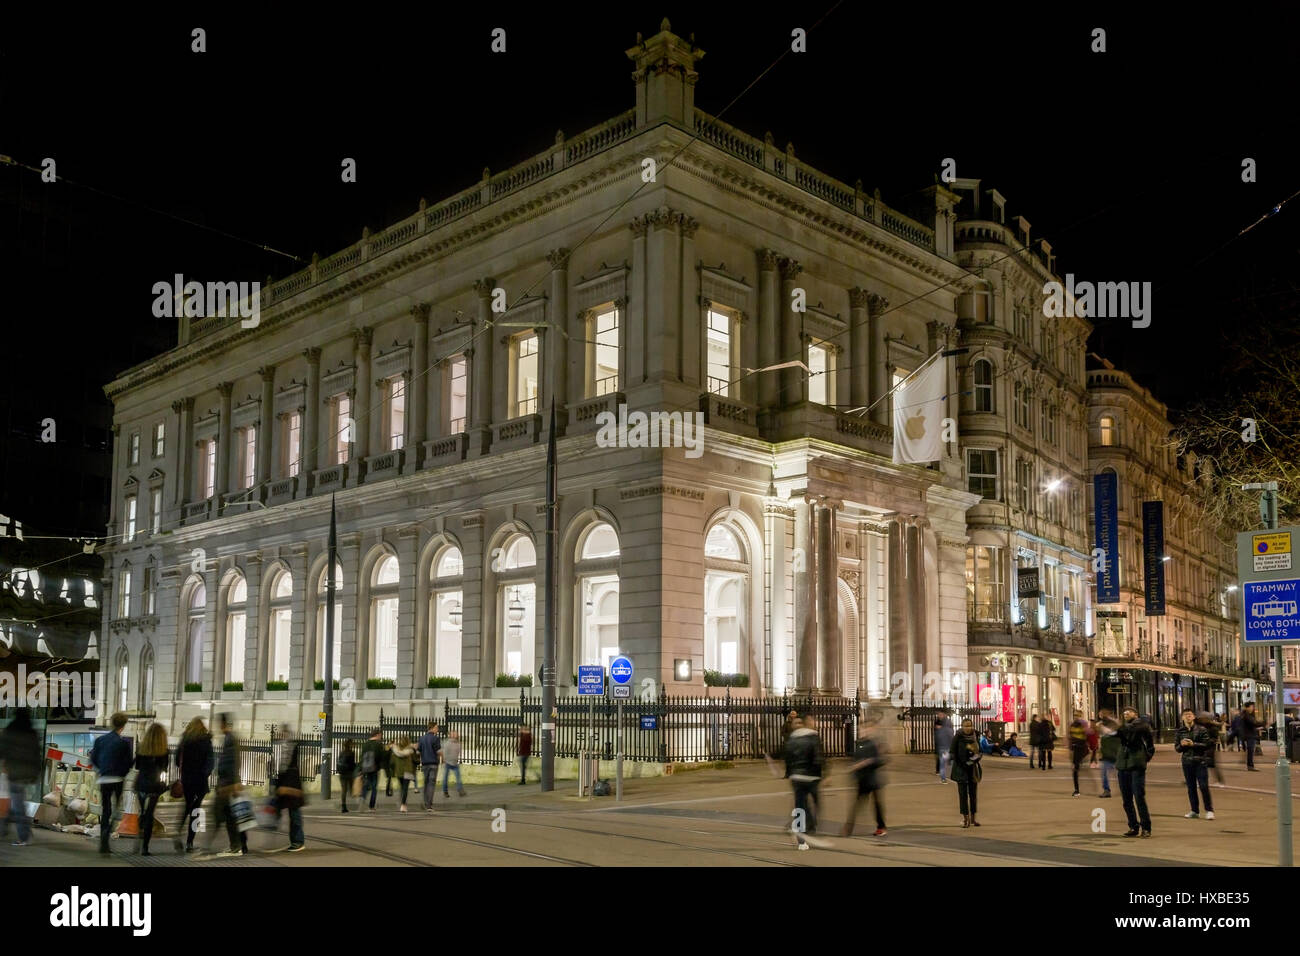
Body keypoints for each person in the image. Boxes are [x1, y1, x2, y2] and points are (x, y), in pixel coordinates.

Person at [778, 712, 825, 849]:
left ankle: (801, 841)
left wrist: (789, 774)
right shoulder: (813, 737)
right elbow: (818, 758)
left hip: (797, 778)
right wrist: (821, 774)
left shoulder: (792, 739)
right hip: (811, 777)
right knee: (815, 803)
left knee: (800, 808)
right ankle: (811, 825)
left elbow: (788, 758)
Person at [88, 712, 132, 855]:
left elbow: (93, 759)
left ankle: (103, 842)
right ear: (123, 726)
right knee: (116, 810)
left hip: (104, 778)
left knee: (105, 810)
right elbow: (128, 764)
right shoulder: (124, 743)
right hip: (118, 779)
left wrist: (101, 770)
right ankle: (108, 836)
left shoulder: (100, 740)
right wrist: (121, 773)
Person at [207, 713, 248, 857]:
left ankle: (208, 847)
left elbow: (232, 763)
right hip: (227, 784)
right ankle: (236, 846)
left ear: (223, 724)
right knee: (230, 817)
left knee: (217, 814)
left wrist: (232, 784)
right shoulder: (229, 739)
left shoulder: (230, 739)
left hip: (227, 785)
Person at [0, 709, 42, 846]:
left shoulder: (10, 731)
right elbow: (37, 754)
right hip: (28, 773)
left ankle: (24, 837)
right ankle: (6, 829)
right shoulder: (32, 732)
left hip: (14, 773)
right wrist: (36, 773)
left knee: (17, 805)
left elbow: (2, 750)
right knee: (15, 802)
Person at [841, 716, 886, 837]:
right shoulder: (860, 744)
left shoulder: (873, 743)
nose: (862, 731)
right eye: (861, 729)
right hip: (862, 779)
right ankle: (848, 828)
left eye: (864, 729)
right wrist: (853, 768)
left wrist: (867, 762)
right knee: (858, 804)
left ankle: (881, 827)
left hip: (872, 778)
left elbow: (879, 760)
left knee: (876, 804)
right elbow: (855, 760)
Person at [174, 717, 213, 853]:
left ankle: (178, 831)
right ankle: (190, 842)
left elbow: (177, 760)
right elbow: (210, 762)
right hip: (200, 781)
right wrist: (204, 774)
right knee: (196, 812)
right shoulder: (206, 741)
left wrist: (185, 770)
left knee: (187, 806)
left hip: (187, 780)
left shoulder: (185, 739)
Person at [1116, 705, 1155, 838]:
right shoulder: (1123, 727)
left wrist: (1145, 757)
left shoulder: (1141, 725)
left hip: (1136, 765)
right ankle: (1133, 826)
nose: (1126, 714)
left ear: (1136, 714)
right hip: (1123, 765)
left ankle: (1146, 827)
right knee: (1126, 799)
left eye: (1129, 712)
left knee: (1139, 797)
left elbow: (1150, 744)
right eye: (1124, 712)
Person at [132, 722, 169, 856]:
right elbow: (164, 769)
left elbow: (137, 767)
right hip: (154, 786)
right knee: (149, 815)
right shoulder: (164, 751)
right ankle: (145, 848)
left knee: (143, 812)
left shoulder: (142, 749)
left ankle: (138, 839)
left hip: (141, 784)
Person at [1174, 709, 1215, 820]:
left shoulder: (1201, 729)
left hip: (1200, 761)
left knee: (1203, 786)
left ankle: (1209, 810)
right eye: (1185, 715)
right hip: (1187, 762)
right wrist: (1182, 745)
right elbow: (1177, 748)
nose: (1188, 717)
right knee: (1191, 787)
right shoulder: (1180, 731)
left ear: (1194, 717)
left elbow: (1207, 744)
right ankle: (1194, 811)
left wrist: (1193, 744)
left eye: (1190, 715)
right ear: (1182, 718)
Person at [271, 734, 306, 852]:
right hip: (287, 785)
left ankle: (297, 841)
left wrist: (284, 786)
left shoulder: (289, 748)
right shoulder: (285, 747)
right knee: (290, 814)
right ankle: (295, 841)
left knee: (294, 814)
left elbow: (288, 768)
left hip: (290, 786)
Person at [950, 717, 982, 828]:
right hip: (961, 769)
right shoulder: (957, 737)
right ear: (962, 726)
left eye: (970, 725)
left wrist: (976, 758)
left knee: (973, 795)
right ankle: (965, 818)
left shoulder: (975, 736)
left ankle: (973, 818)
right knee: (963, 795)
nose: (968, 728)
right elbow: (952, 752)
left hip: (972, 769)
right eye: (966, 726)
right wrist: (961, 762)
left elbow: (979, 751)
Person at [418, 721, 442, 811]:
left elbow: (419, 751)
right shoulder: (435, 739)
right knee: (431, 784)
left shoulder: (422, 738)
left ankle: (425, 802)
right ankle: (429, 805)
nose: (437, 729)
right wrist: (442, 759)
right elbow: (438, 751)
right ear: (432, 728)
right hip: (433, 764)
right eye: (436, 727)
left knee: (425, 783)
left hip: (424, 764)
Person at [1096, 709, 1119, 798]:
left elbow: (1111, 732)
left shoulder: (1114, 724)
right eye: (1100, 715)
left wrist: (1101, 727)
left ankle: (1127, 789)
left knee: (1120, 774)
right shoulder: (1102, 726)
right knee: (1104, 774)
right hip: (1106, 755)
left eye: (1103, 714)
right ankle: (1106, 790)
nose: (1101, 716)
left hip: (1116, 754)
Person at [360, 730, 385, 811]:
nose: (381, 737)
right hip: (374, 768)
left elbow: (362, 756)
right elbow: (380, 756)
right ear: (377, 735)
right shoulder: (378, 744)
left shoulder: (365, 744)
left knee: (366, 785)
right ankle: (372, 806)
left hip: (365, 768)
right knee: (374, 787)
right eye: (380, 735)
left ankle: (362, 799)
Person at [391, 735, 416, 812]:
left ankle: (402, 802)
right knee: (405, 789)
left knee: (402, 788)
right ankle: (403, 805)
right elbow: (415, 760)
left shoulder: (395, 751)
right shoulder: (410, 750)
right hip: (407, 771)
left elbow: (392, 762)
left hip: (399, 771)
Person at [1068, 711, 1090, 796]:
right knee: (1075, 769)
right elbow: (1070, 736)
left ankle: (1077, 790)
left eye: (1078, 715)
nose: (1076, 717)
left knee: (1076, 768)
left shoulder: (1083, 723)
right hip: (1075, 748)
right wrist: (1070, 747)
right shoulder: (1072, 724)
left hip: (1081, 748)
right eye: (1075, 715)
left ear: (1081, 716)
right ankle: (1076, 790)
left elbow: (1088, 733)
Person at [442, 730, 465, 798]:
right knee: (445, 778)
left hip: (455, 763)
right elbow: (445, 753)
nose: (456, 734)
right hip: (448, 763)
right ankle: (445, 791)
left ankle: (460, 790)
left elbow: (459, 752)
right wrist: (445, 760)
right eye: (454, 734)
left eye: (456, 734)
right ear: (451, 735)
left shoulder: (458, 743)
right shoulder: (447, 743)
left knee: (458, 777)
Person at [337, 739, 356, 813]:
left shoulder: (341, 753)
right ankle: (355, 800)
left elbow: (339, 762)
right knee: (351, 788)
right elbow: (352, 764)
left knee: (344, 790)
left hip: (342, 774)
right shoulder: (351, 753)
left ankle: (343, 806)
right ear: (350, 745)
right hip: (349, 773)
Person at [1241, 702, 1261, 771]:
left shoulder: (1248, 715)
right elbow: (1254, 723)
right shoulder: (1247, 715)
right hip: (1250, 736)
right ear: (1247, 707)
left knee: (1251, 751)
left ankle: (1250, 765)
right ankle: (1250, 766)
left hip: (1250, 735)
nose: (1252, 708)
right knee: (1250, 751)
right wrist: (1264, 723)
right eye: (1251, 707)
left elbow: (1253, 724)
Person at [935, 711, 954, 784]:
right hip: (948, 748)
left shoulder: (939, 730)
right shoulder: (950, 731)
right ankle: (952, 776)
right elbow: (952, 739)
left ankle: (943, 779)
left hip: (942, 748)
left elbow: (938, 739)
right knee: (951, 763)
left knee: (942, 764)